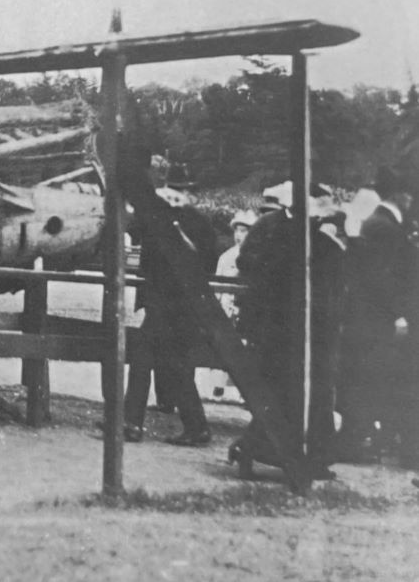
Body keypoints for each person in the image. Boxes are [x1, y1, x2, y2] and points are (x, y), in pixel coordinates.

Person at [231, 181, 344, 478]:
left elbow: (333, 274)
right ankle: (252, 448)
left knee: (316, 392)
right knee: (279, 390)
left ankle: (315, 459)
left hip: (313, 327)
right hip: (274, 325)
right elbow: (245, 260)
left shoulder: (323, 232)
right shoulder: (268, 225)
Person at [122, 187, 218, 445]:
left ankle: (132, 423)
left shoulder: (159, 224)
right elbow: (210, 261)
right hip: (185, 307)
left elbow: (146, 263)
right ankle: (134, 421)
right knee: (169, 363)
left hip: (166, 306)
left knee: (155, 360)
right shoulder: (200, 223)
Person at [337, 167, 414, 464]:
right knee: (368, 378)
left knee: (365, 377)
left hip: (366, 317)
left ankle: (357, 438)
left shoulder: (379, 224)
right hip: (376, 319)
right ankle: (354, 441)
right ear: (402, 196)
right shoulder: (386, 228)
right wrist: (397, 314)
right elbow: (380, 278)